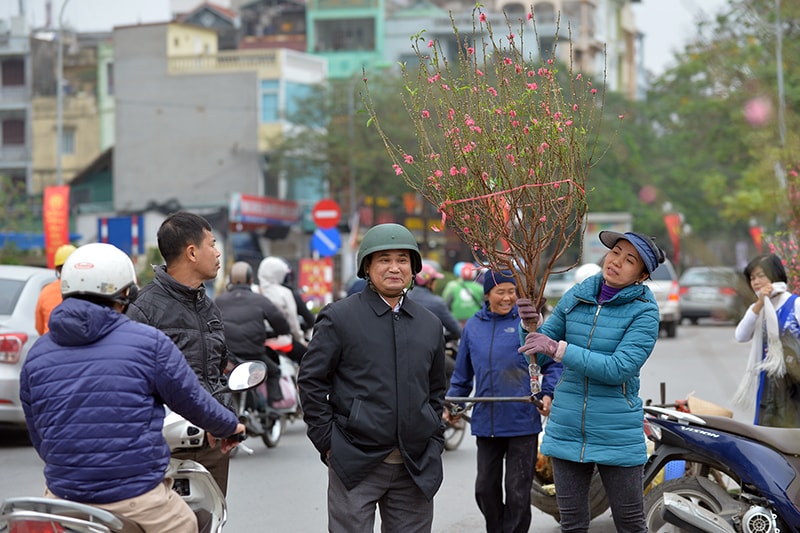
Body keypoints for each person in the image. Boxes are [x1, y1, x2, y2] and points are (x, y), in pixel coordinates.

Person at [20, 243, 245, 533]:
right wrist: (229, 426)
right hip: (135, 496)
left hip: (64, 498)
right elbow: (192, 401)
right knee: (188, 524)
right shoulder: (148, 343)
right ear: (125, 293)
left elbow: (39, 431)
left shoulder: (37, 354)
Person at [297, 222, 447, 533]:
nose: (394, 268)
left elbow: (435, 390)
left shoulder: (429, 324)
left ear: (413, 267)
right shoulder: (339, 318)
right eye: (384, 259)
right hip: (354, 460)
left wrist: (433, 435)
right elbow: (311, 381)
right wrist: (328, 442)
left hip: (415, 463)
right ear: (367, 266)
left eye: (402, 260)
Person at [517, 231, 666, 533]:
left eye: (629, 260)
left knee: (630, 524)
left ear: (642, 274)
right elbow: (538, 357)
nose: (616, 262)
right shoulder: (577, 295)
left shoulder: (645, 312)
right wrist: (528, 326)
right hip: (568, 426)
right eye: (616, 252)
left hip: (617, 431)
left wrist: (559, 349)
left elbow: (618, 368)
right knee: (572, 525)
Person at [126, 211, 234, 497]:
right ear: (191, 252)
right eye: (211, 244)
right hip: (165, 446)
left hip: (212, 443)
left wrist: (225, 415)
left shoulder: (209, 308)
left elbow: (217, 369)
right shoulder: (143, 309)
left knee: (210, 521)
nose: (217, 252)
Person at [446, 269, 561, 533]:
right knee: (485, 488)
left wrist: (548, 393)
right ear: (487, 295)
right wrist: (454, 403)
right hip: (487, 421)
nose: (507, 297)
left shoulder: (528, 325)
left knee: (518, 492)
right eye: (501, 292)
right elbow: (462, 375)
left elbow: (553, 365)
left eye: (512, 291)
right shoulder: (473, 327)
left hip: (522, 420)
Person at [733, 253, 800, 427]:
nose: (755, 282)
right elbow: (741, 336)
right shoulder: (758, 309)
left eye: (761, 275)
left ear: (776, 274)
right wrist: (759, 304)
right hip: (768, 384)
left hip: (794, 383)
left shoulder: (795, 304)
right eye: (752, 277)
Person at [215, 261, 290, 409]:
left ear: (230, 280)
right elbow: (281, 324)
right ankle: (273, 407)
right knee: (274, 371)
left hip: (228, 356)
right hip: (254, 354)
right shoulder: (260, 300)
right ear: (251, 280)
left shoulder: (219, 301)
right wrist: (278, 332)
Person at [257, 256, 308, 364]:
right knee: (309, 360)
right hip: (283, 342)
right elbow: (292, 321)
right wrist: (300, 340)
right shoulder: (285, 293)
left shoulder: (256, 291)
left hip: (260, 343)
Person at [407, 262, 462, 342]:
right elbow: (457, 330)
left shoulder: (404, 298)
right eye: (434, 280)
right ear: (429, 283)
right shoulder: (437, 303)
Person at [34, 243, 76, 335]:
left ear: (57, 269)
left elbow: (39, 327)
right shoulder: (86, 290)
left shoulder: (46, 291)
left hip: (50, 342)